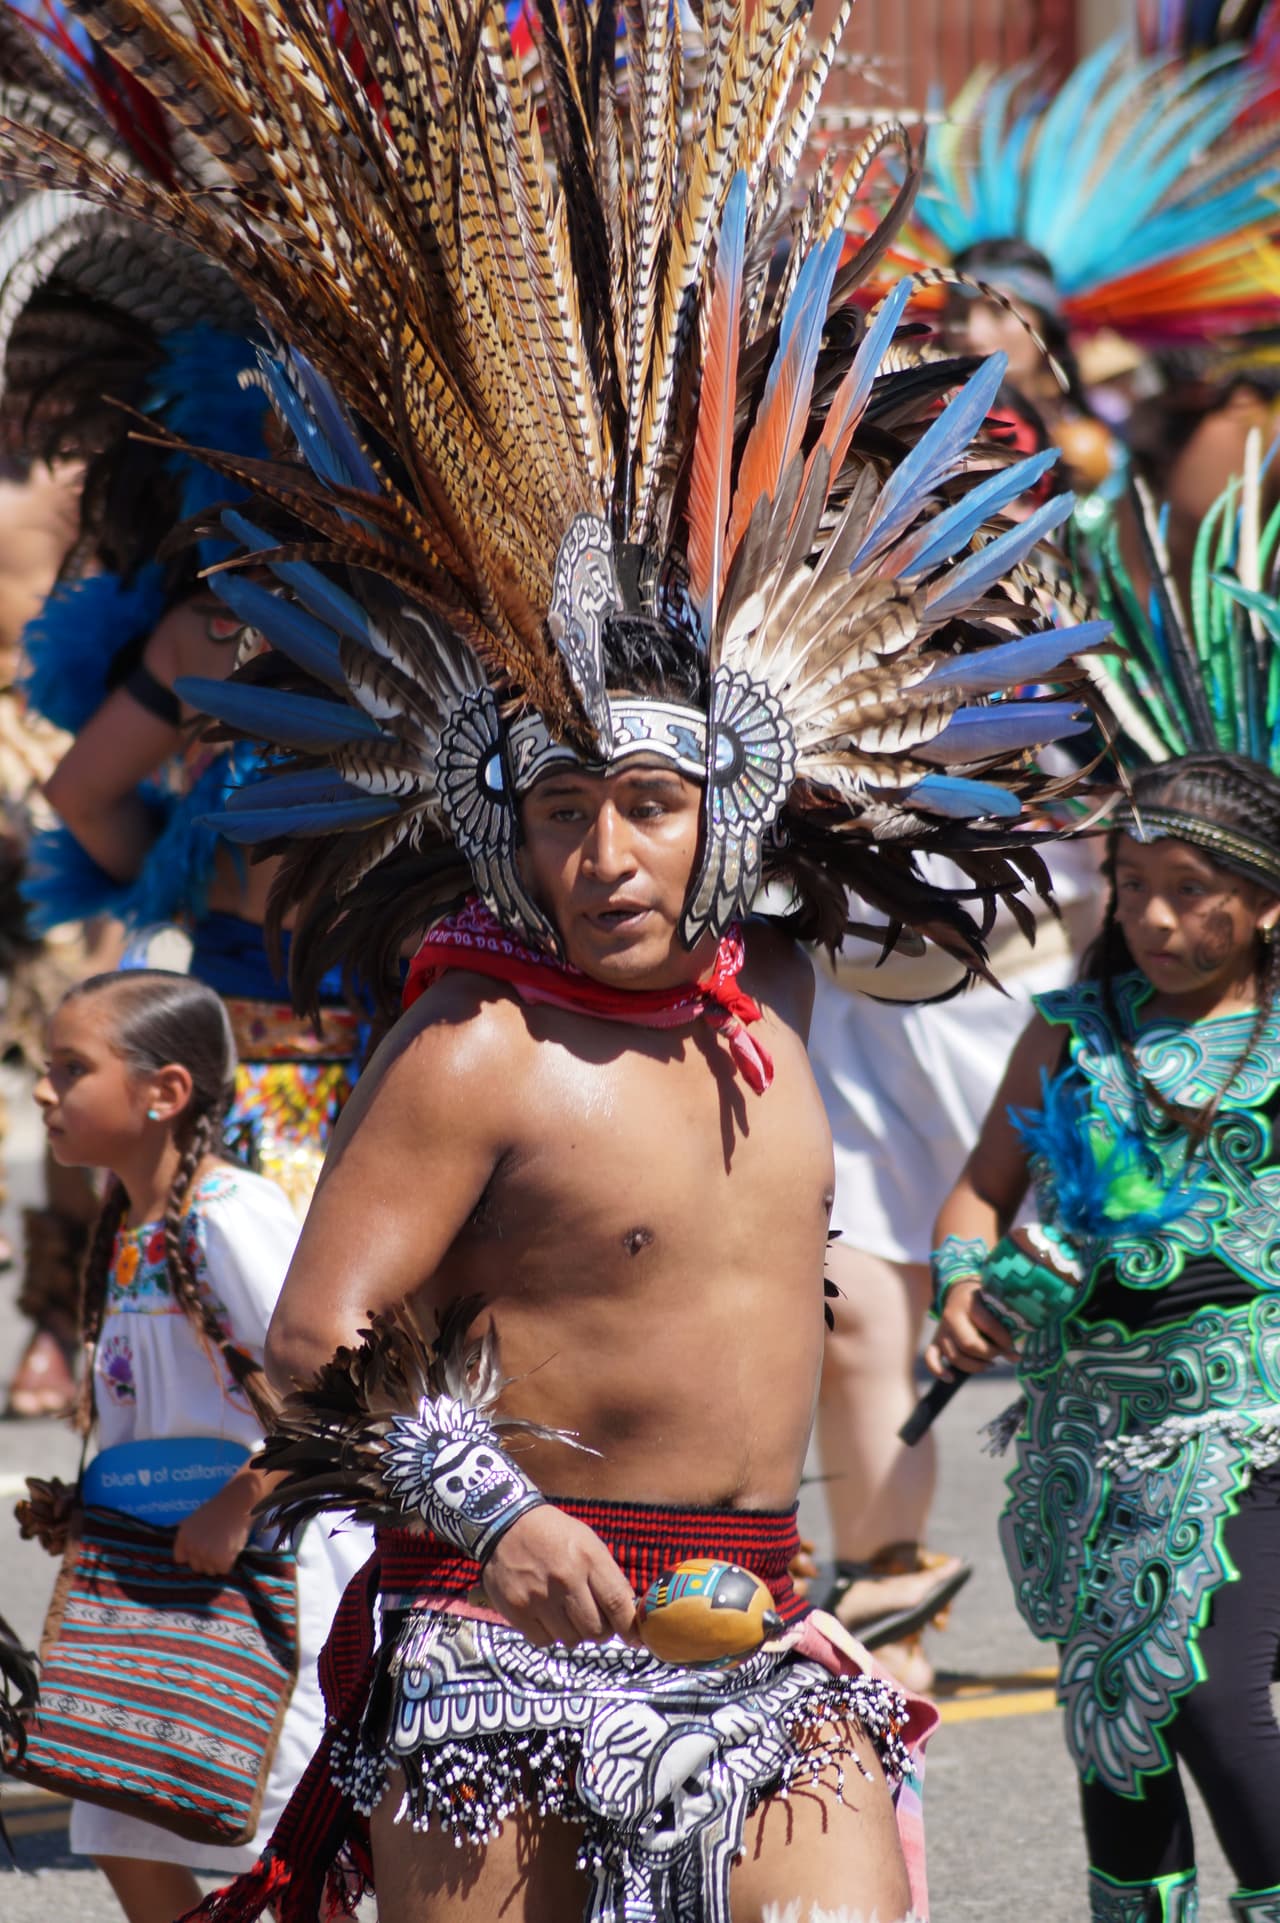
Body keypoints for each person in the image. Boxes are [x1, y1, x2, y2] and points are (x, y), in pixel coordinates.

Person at [0, 3, 1108, 1917]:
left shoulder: (773, 1021)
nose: (601, 850)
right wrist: (490, 1514)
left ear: (733, 818)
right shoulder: (478, 1040)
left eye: (649, 808)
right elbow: (313, 1334)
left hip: (755, 1629)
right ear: (501, 819)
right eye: (562, 808)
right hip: (503, 1643)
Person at [27, 970, 368, 1923]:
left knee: (291, 1843)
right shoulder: (129, 1228)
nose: (45, 1091)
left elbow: (340, 1387)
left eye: (71, 1068)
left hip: (270, 1593)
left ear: (163, 1091)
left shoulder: (230, 1215)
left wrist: (240, 1498)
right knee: (118, 1815)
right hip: (157, 1585)